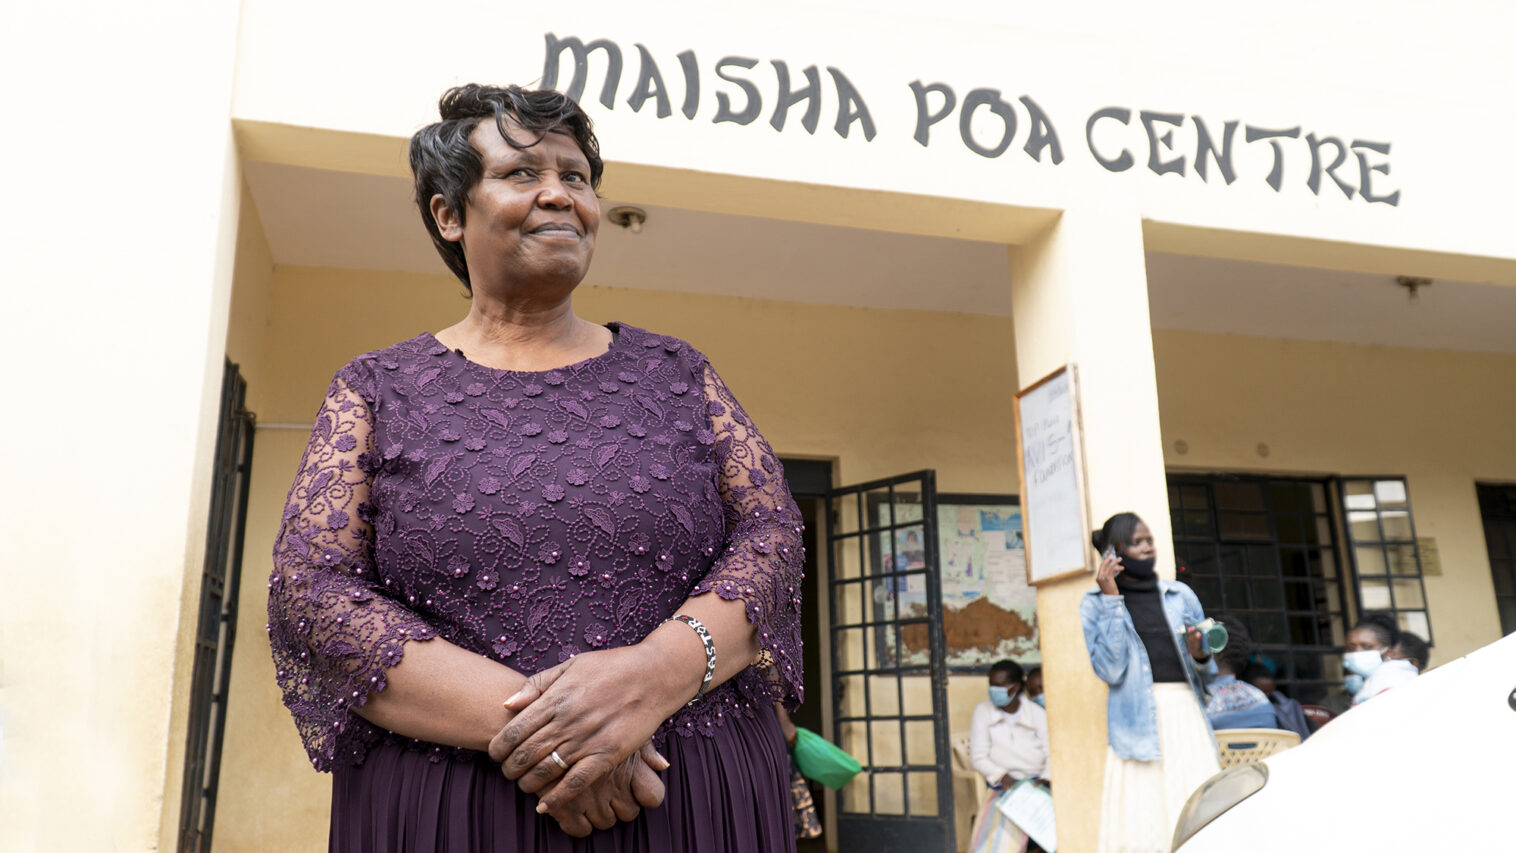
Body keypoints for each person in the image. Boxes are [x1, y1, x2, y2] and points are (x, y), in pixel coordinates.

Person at [266, 84, 805, 852]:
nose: (560, 194)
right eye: (522, 174)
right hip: (453, 808)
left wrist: (657, 673)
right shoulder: (377, 388)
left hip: (694, 795)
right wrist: (562, 728)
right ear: (449, 214)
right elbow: (313, 589)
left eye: (577, 176)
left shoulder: (677, 372)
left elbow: (773, 533)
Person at [1081, 512, 1220, 853]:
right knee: (1143, 817)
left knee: (1195, 804)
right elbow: (1110, 671)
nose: (1146, 548)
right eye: (1136, 542)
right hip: (1136, 719)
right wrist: (1112, 600)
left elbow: (1208, 670)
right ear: (1114, 551)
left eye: (1149, 541)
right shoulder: (1095, 604)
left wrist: (1200, 654)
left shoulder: (1180, 595)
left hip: (1184, 712)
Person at [969, 660, 1051, 789]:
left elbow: (1051, 754)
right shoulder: (983, 711)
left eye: (1000, 686)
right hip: (1001, 782)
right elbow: (978, 757)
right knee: (1001, 808)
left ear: (1016, 686)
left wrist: (1045, 779)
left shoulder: (1037, 713)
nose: (994, 691)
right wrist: (1001, 776)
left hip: (1037, 780)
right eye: (992, 685)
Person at [1344, 614, 1418, 706]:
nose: (1357, 652)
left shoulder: (1392, 680)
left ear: (1388, 651)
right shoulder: (1374, 680)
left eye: (1367, 646)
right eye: (1351, 647)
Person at [1240, 662, 1312, 740]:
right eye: (1263, 693)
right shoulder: (1238, 708)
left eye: (1270, 692)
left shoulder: (1284, 704)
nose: (1267, 696)